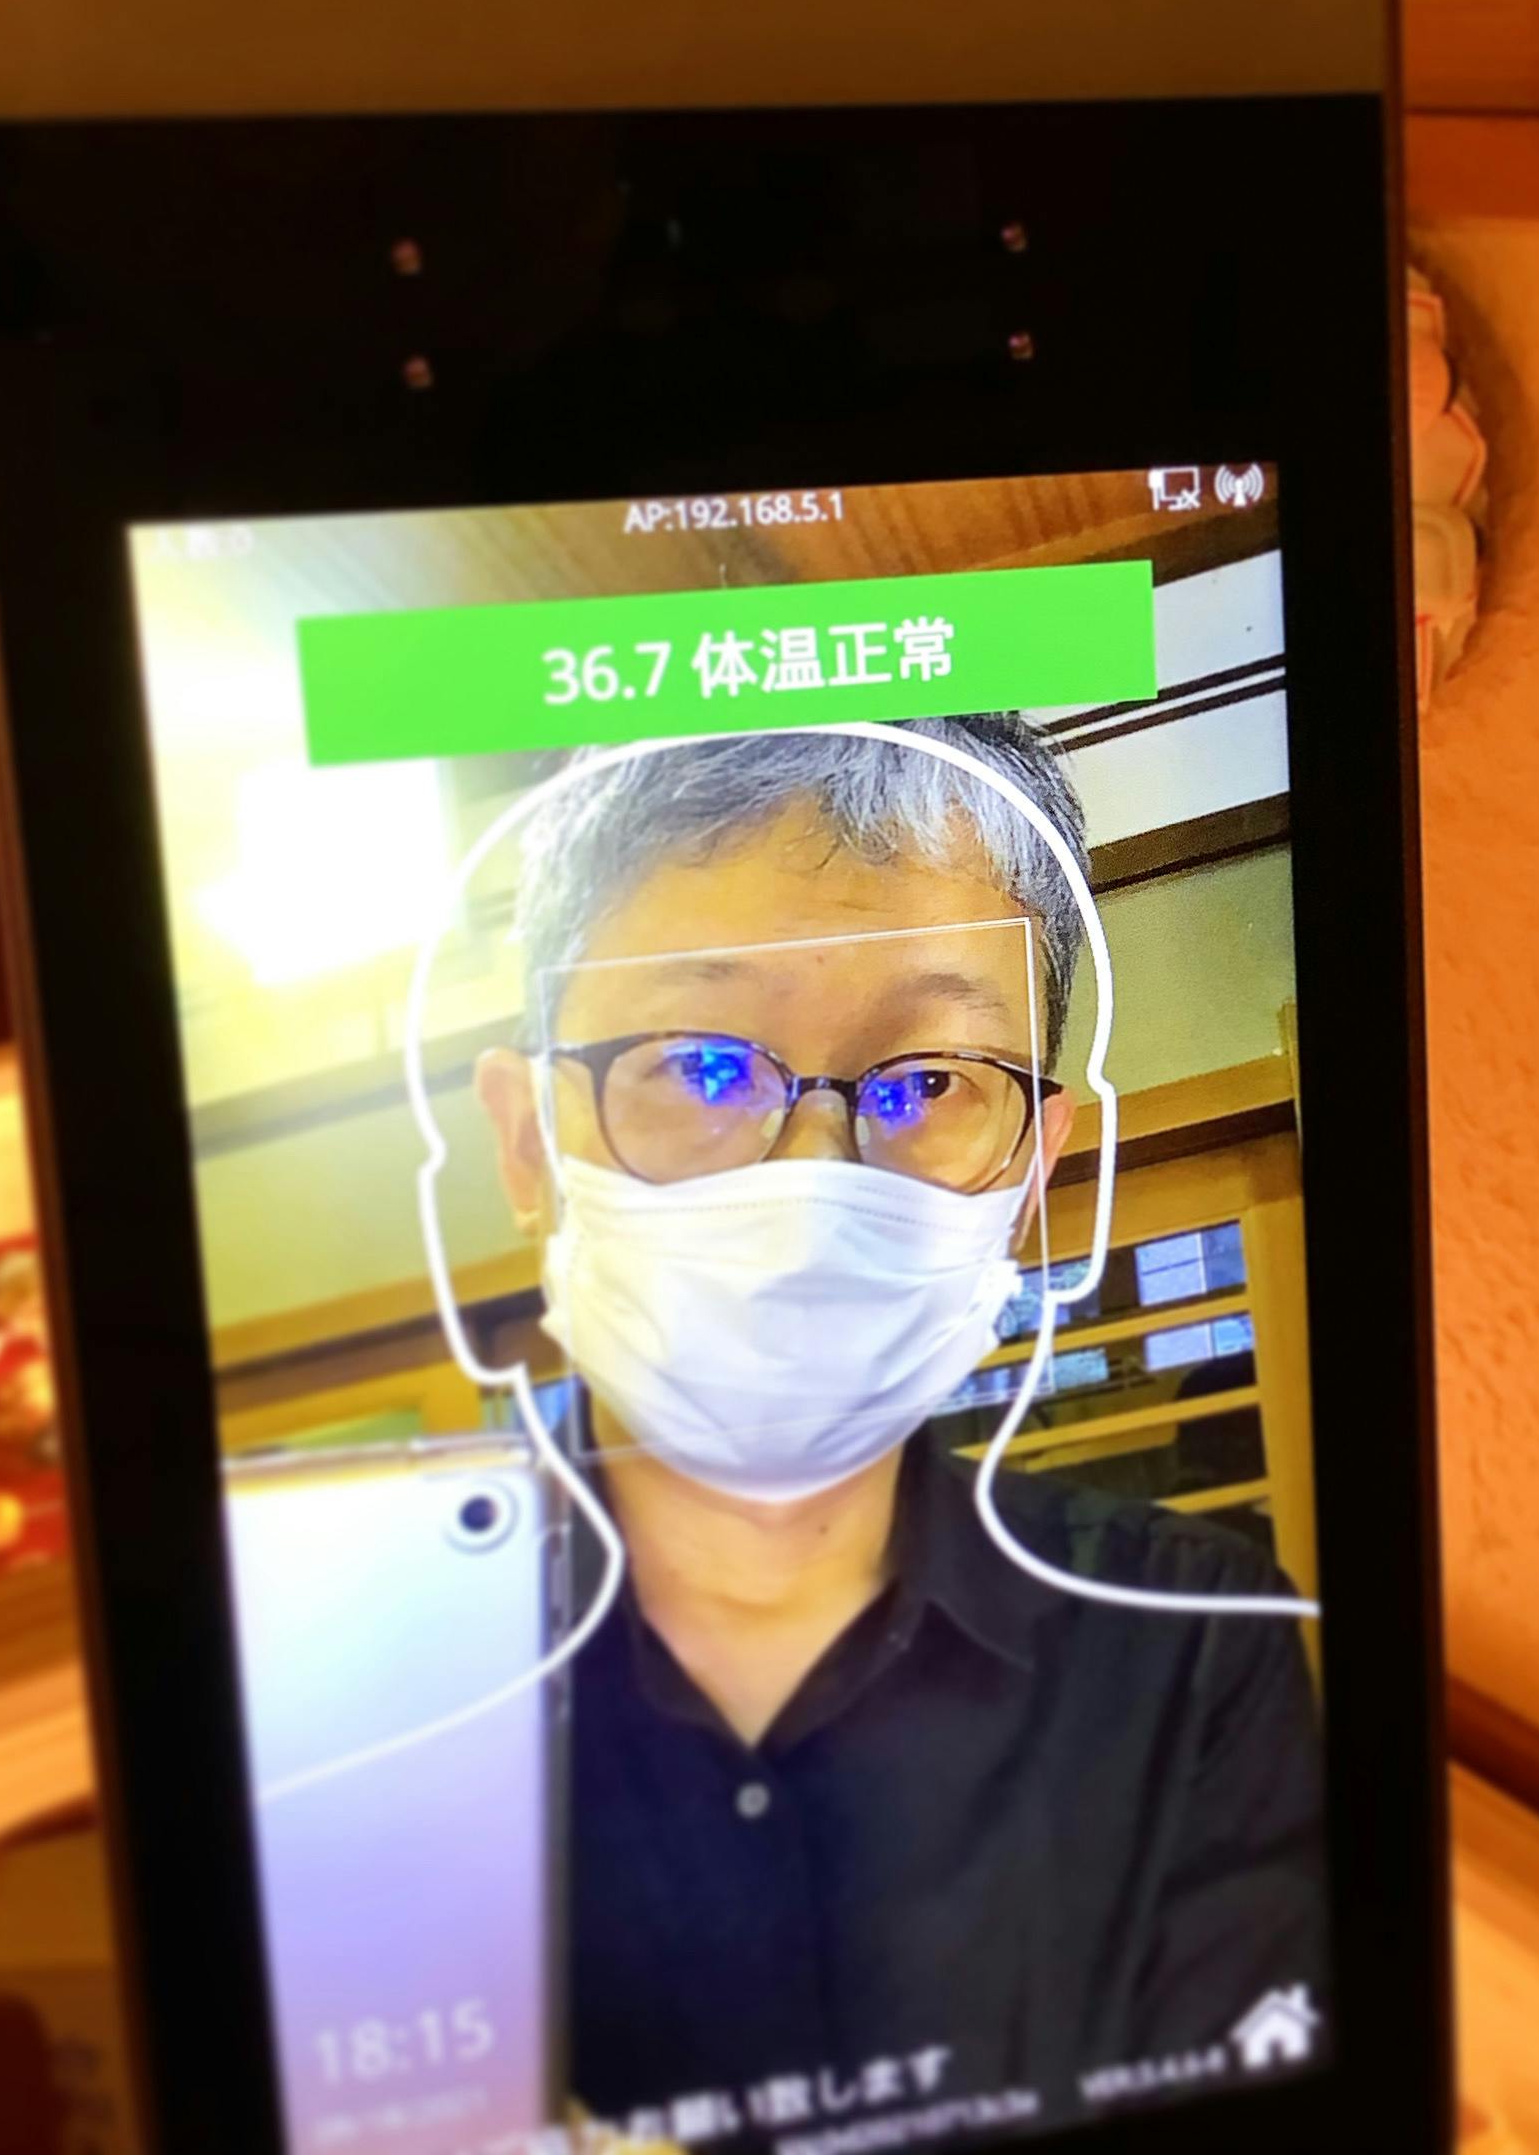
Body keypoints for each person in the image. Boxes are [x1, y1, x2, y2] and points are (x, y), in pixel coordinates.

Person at [473, 715, 1327, 2141]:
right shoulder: (354, 1695)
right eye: (701, 1065)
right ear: (525, 1143)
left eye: (930, 1081)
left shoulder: (1189, 1644)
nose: (814, 1185)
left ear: (1031, 1174)